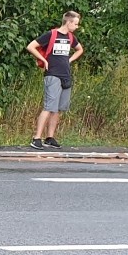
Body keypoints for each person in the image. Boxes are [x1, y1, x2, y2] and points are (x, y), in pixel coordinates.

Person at [26, 11, 84, 150]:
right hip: (52, 74)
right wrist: (44, 60)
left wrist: (69, 60)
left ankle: (50, 137)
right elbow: (31, 46)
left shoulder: (71, 37)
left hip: (65, 75)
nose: (76, 26)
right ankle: (36, 138)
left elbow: (79, 49)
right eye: (75, 24)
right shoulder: (51, 34)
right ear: (68, 22)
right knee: (49, 106)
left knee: (58, 108)